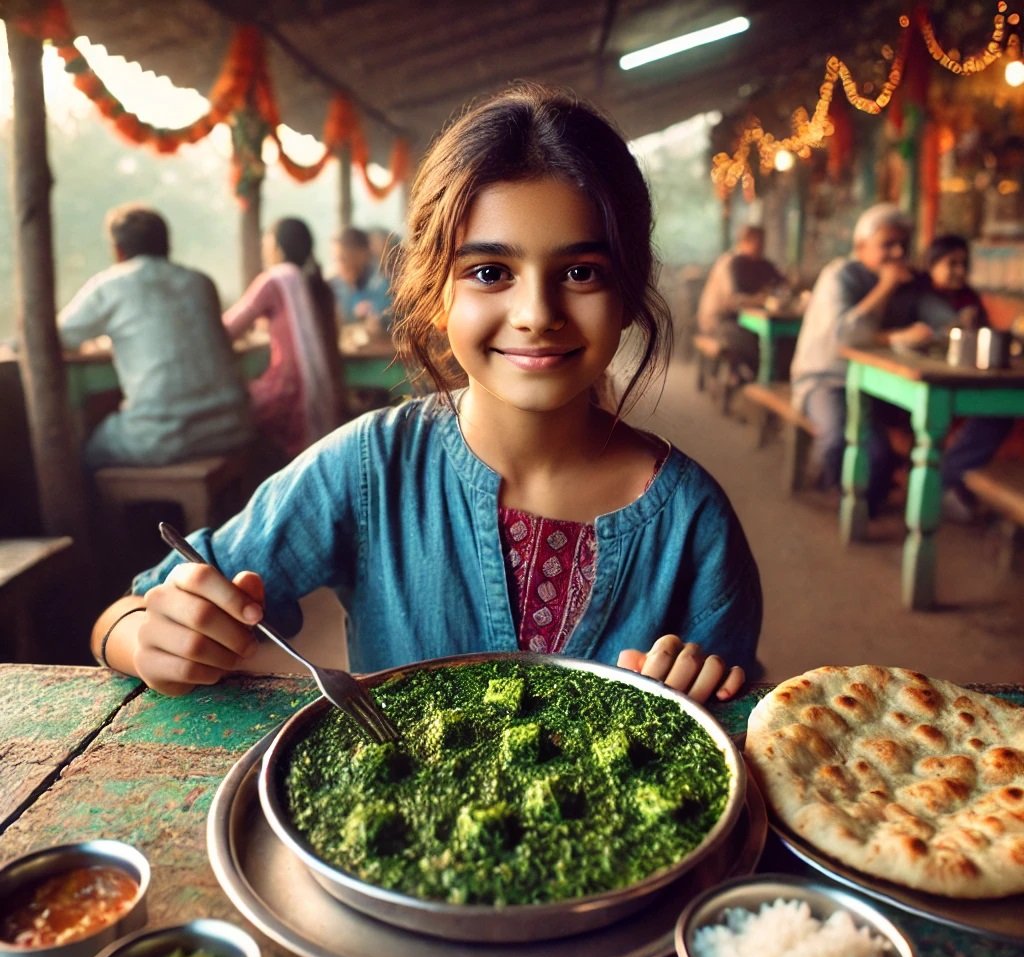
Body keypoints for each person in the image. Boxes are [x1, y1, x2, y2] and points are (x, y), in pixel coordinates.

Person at [89, 83, 763, 708]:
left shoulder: (693, 523)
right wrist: (146, 636)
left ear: (628, 293)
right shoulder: (368, 468)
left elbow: (737, 723)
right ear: (435, 293)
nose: (536, 312)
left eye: (581, 272)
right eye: (490, 271)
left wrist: (706, 688)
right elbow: (133, 611)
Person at [57, 204, 253, 469]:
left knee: (90, 451)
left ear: (118, 250)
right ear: (167, 246)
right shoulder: (201, 282)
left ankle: (103, 512)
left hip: (165, 437)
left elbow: (57, 338)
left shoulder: (111, 284)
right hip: (234, 426)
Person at [789, 203, 951, 515]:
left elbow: (944, 319)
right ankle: (841, 495)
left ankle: (870, 502)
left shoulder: (911, 282)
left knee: (898, 445)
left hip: (879, 385)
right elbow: (843, 337)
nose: (897, 253)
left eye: (902, 245)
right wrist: (887, 288)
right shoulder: (840, 275)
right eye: (887, 245)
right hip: (826, 380)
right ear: (860, 246)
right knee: (841, 440)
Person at [223, 217, 345, 465]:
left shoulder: (275, 280)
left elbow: (227, 330)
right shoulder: (318, 284)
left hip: (288, 396)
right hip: (328, 396)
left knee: (231, 403)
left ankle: (246, 483)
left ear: (277, 248)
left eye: (266, 244)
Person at [923, 234, 1015, 523]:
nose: (960, 271)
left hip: (965, 383)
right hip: (923, 382)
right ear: (932, 265)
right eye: (952, 264)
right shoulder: (918, 294)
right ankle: (941, 486)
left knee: (1000, 412)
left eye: (964, 264)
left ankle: (945, 481)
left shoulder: (970, 298)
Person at [696, 225, 787, 381]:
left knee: (780, 341)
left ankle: (761, 376)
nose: (761, 248)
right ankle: (751, 377)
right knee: (755, 346)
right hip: (718, 322)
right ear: (745, 242)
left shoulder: (759, 263)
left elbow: (781, 281)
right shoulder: (731, 263)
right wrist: (762, 299)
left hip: (740, 320)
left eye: (763, 243)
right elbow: (733, 301)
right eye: (758, 243)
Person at [327, 226, 392, 326]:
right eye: (334, 259)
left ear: (362, 255)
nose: (337, 266)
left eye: (342, 259)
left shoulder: (382, 286)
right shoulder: (334, 286)